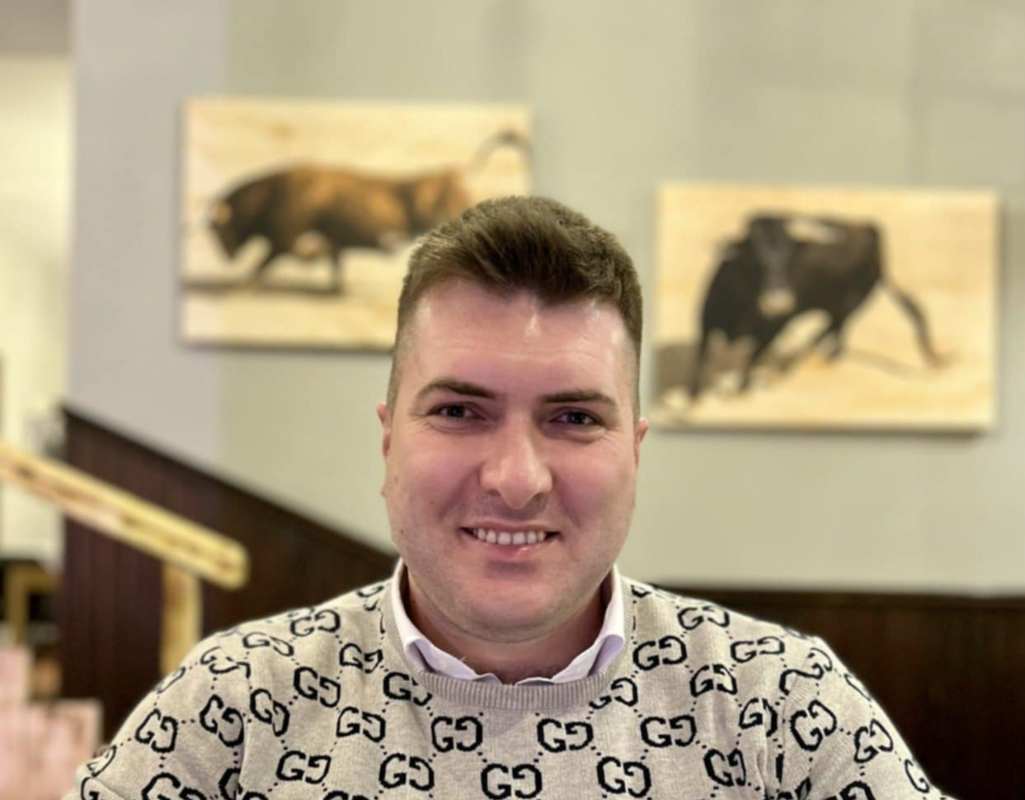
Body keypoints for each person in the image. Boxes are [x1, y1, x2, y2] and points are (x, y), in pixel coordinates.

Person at [69, 196, 952, 799]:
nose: (516, 477)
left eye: (573, 418)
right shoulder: (229, 707)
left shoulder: (783, 704)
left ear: (634, 451)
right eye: (459, 411)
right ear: (388, 439)